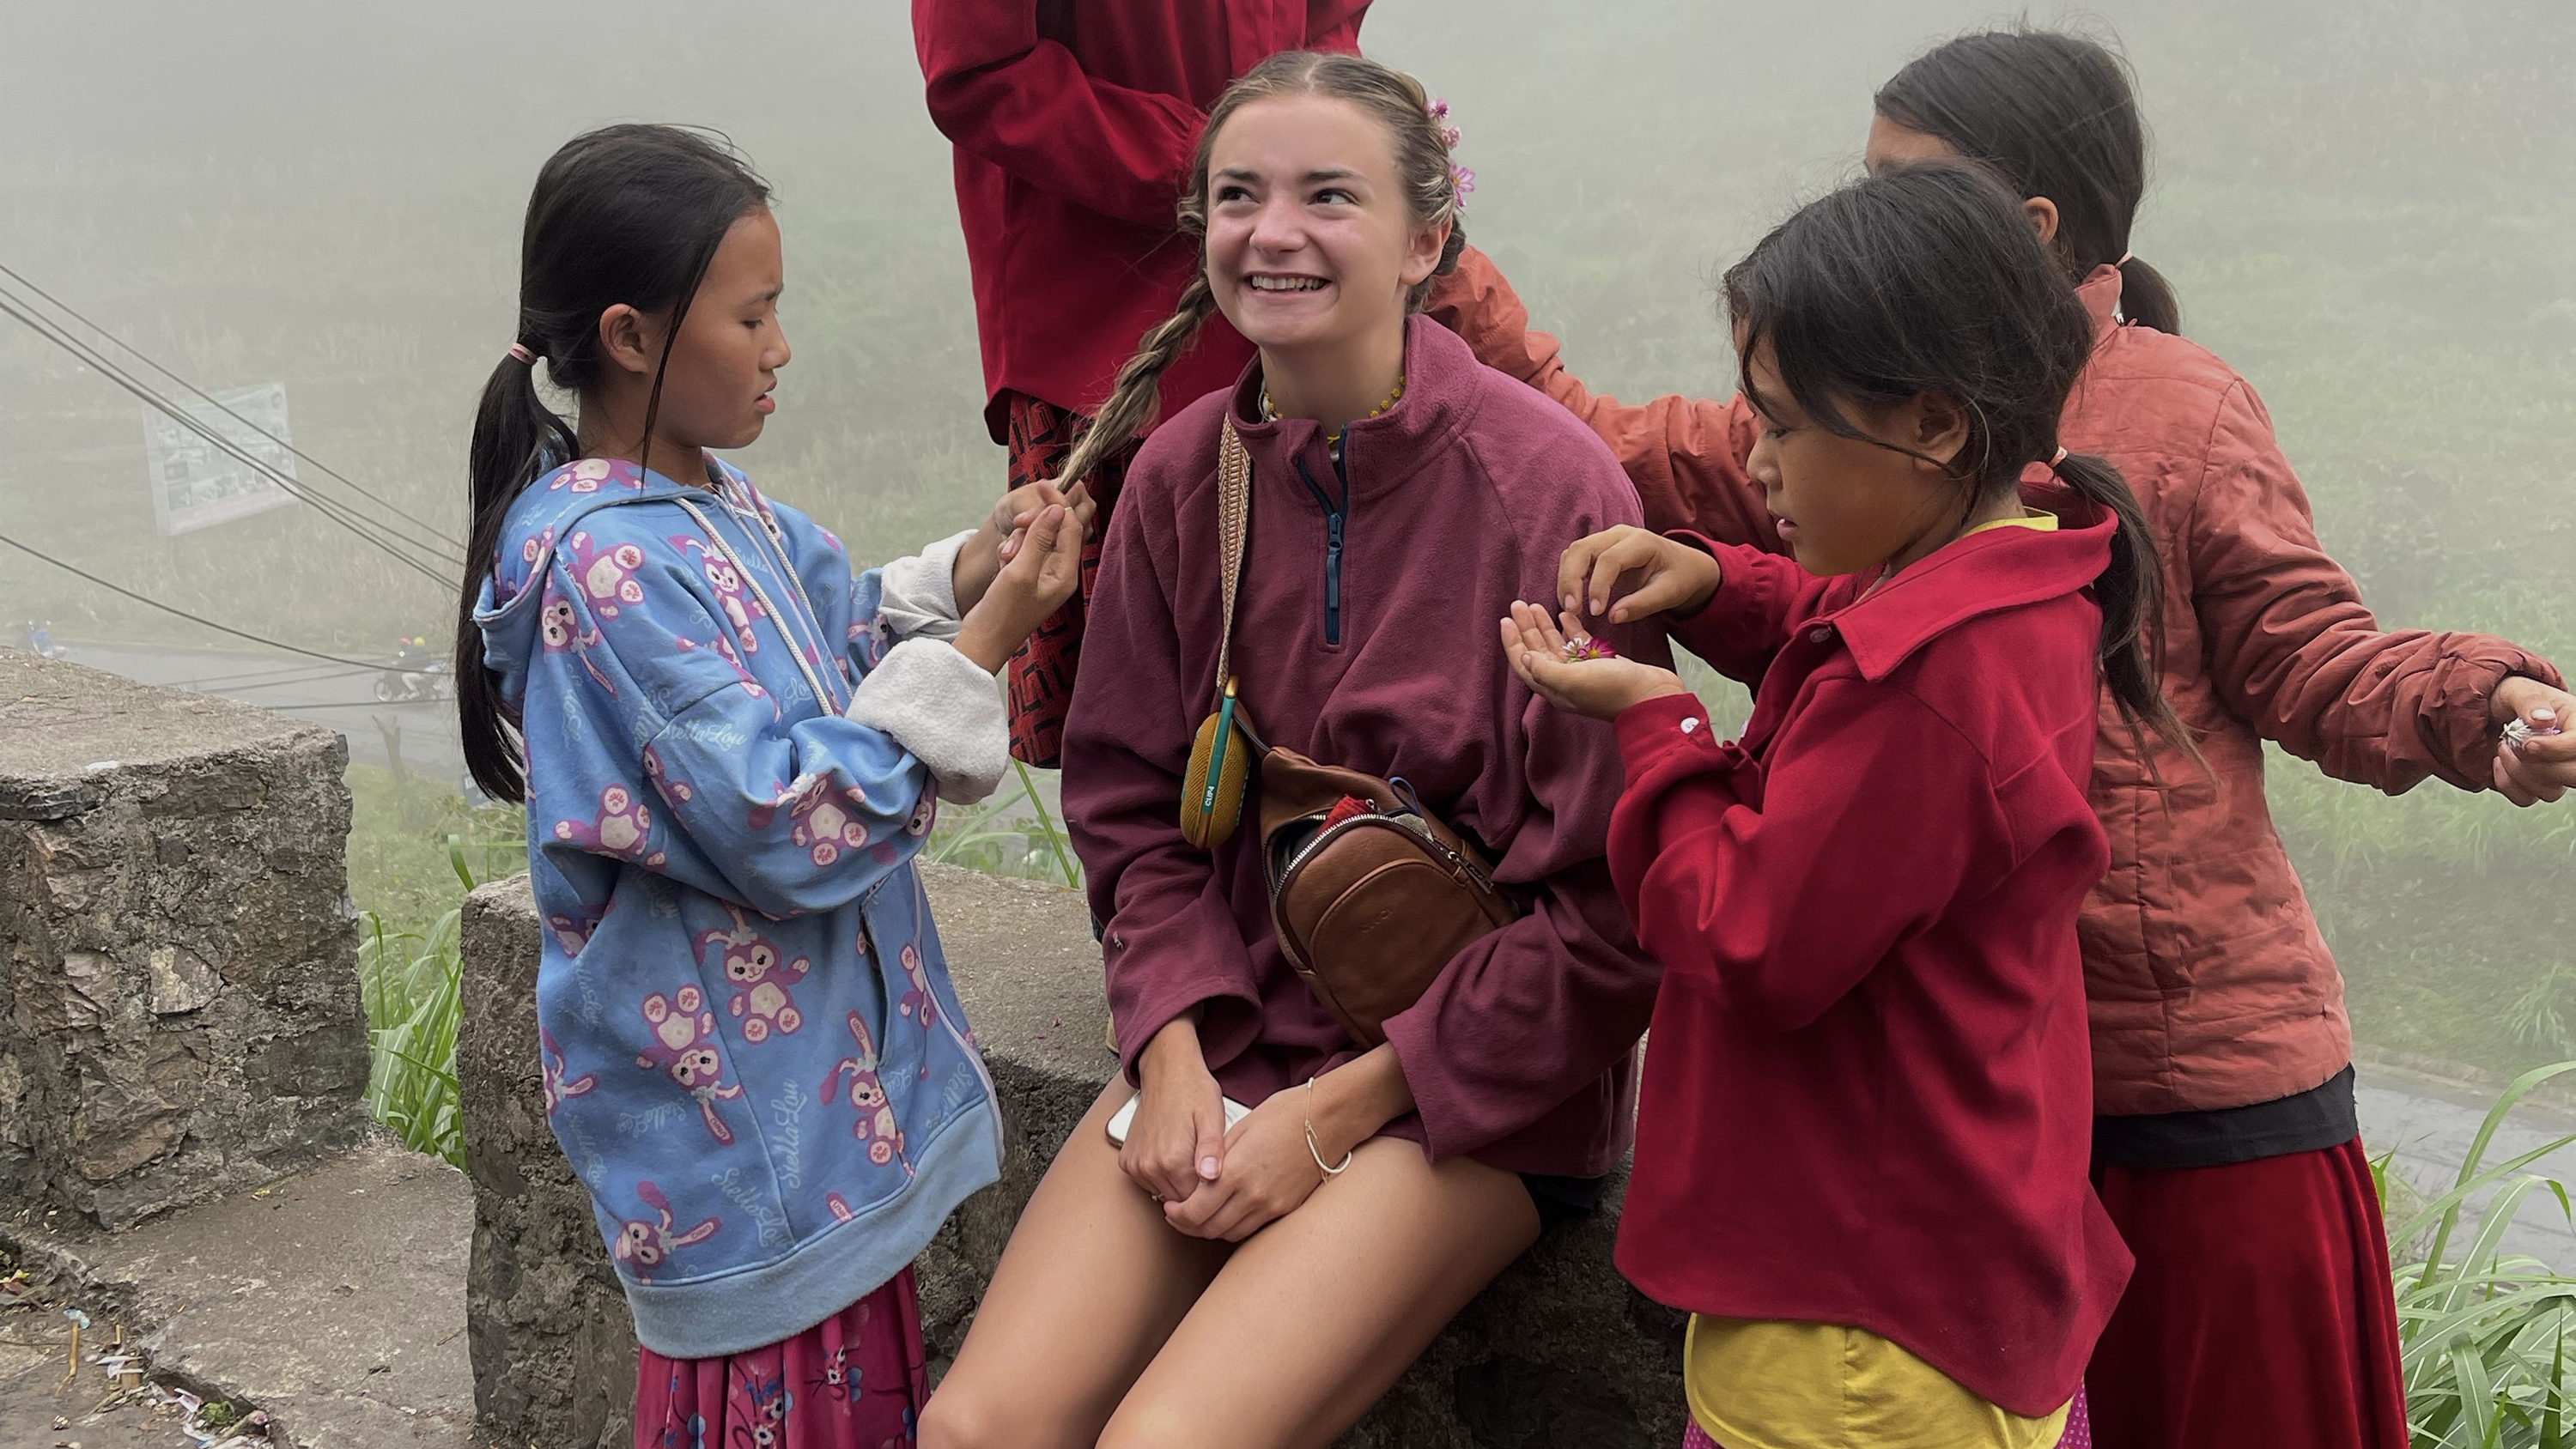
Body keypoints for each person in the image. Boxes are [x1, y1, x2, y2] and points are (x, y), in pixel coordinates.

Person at [1432, 28, 2576, 1449]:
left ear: (2026, 230)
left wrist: (2486, 702)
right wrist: (1437, 252)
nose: (1869, 226)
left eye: (1905, 192)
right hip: (1976, 1104)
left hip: (2181, 1089)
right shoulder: (1867, 409)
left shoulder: (2155, 412)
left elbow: (2314, 660)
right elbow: (1699, 489)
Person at [919, 52, 1662, 1449]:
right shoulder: (1183, 475)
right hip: (1235, 1024)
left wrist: (1332, 1117)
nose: (1276, 230)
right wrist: (1176, 1048)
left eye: (1331, 195)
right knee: (977, 1428)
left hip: (1465, 1084)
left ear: (1426, 239)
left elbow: (1613, 906)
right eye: (1239, 195)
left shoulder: (1549, 486)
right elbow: (1135, 807)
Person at [451, 123, 1089, 1449]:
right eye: (753, 314)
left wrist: (971, 575)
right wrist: (987, 643)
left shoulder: (719, 512)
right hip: (742, 1144)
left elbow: (836, 643)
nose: (781, 345)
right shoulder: (601, 569)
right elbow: (782, 821)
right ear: (631, 338)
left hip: (810, 1127)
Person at [1504, 159, 2136, 1449]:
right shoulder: (2011, 583)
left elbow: (1747, 934)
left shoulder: (1928, 682)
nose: (1754, 453)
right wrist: (1708, 583)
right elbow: (1845, 630)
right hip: (1954, 1254)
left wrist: (1656, 723)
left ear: (1937, 427)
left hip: (1852, 1332)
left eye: (1784, 424)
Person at [914, 0, 1370, 768]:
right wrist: (1222, 161)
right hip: (1107, 307)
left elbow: (1330, 23)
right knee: (1145, 711)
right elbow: (980, 72)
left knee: (1325, 664)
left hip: (1309, 289)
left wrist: (1320, 135)